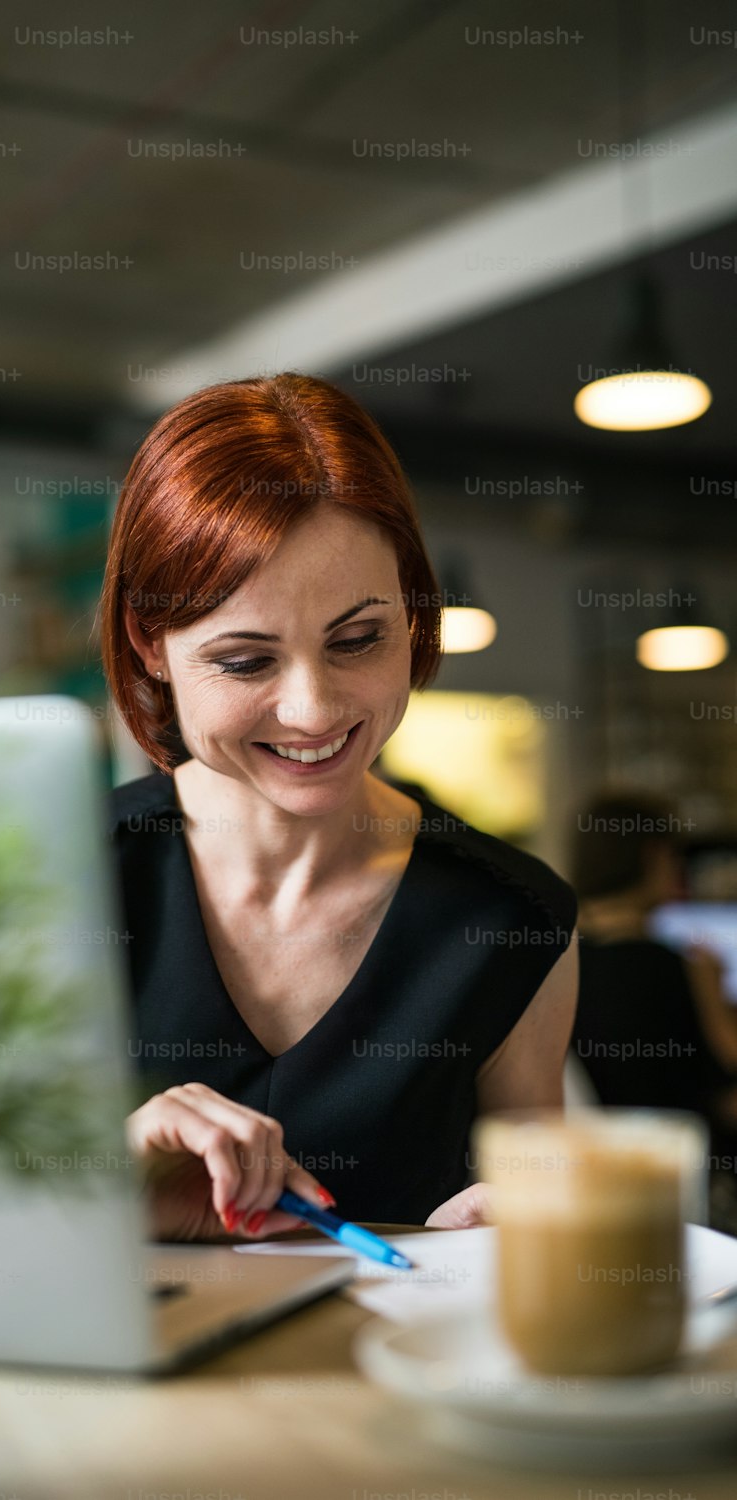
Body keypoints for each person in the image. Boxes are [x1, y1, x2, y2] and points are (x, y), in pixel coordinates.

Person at [100, 372, 578, 1242]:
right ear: (150, 643)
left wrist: (531, 1230)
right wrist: (100, 1187)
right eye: (246, 661)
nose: (315, 711)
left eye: (359, 640)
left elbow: (545, 1228)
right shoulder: (55, 879)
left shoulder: (508, 917)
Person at [571, 792, 737, 1138]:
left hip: (589, 1157)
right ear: (655, 855)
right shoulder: (666, 966)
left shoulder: (556, 955)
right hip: (675, 1162)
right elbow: (724, 1083)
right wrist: (712, 996)